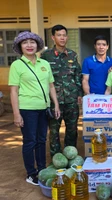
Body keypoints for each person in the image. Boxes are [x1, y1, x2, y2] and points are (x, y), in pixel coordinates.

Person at [9, 31, 60, 185]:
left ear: (37, 45)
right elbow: (13, 90)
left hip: (43, 108)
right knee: (30, 141)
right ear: (20, 46)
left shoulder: (44, 64)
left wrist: (55, 104)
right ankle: (31, 173)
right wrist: (16, 114)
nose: (29, 45)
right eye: (25, 42)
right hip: (27, 109)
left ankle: (42, 169)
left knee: (41, 140)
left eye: (32, 42)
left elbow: (51, 86)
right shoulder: (17, 65)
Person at [41, 24, 83, 157]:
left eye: (64, 35)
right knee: (54, 131)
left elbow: (78, 74)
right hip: (55, 101)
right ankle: (56, 158)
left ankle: (70, 156)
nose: (62, 38)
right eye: (59, 35)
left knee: (72, 130)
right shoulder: (45, 56)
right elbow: (44, 78)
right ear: (53, 37)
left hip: (71, 99)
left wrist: (79, 94)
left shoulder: (72, 54)